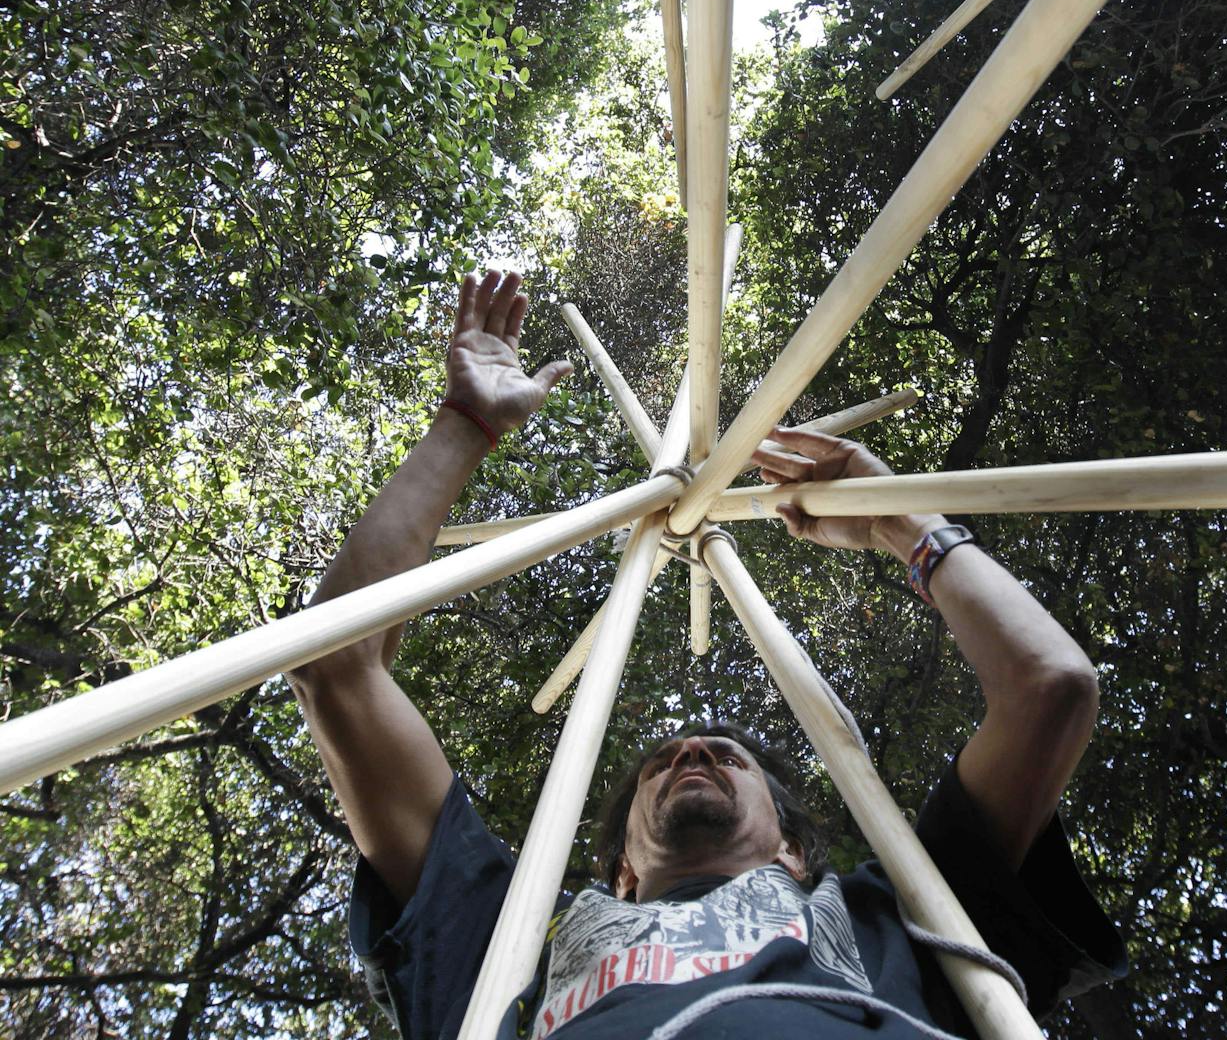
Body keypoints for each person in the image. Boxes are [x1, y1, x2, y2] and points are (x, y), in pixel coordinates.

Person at [285, 270, 1127, 1040]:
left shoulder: (899, 917)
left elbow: (1051, 686)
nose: (693, 750)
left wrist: (901, 525)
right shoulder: (510, 956)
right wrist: (463, 425)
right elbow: (335, 668)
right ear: (617, 873)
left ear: (797, 853)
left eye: (724, 756)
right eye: (669, 762)